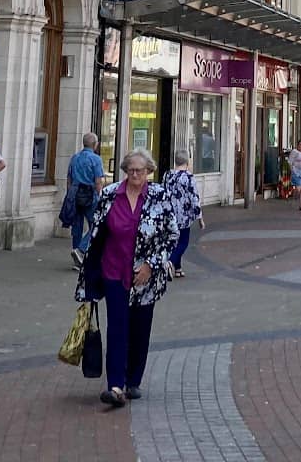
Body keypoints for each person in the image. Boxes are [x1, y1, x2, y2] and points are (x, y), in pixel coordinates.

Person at [75, 148, 180, 407]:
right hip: (114, 271)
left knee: (140, 329)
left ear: (149, 172)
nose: (135, 174)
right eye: (131, 170)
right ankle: (116, 385)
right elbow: (97, 233)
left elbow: (171, 235)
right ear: (124, 171)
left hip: (145, 278)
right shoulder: (110, 195)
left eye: (140, 171)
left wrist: (151, 265)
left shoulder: (159, 196)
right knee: (117, 328)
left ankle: (133, 380)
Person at [65, 132, 105, 266]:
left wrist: (69, 195)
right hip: (90, 194)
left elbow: (69, 178)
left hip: (75, 193)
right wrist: (101, 197)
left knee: (77, 226)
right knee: (97, 224)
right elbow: (98, 181)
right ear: (95, 144)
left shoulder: (75, 158)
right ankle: (81, 250)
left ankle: (76, 256)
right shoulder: (96, 159)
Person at [163, 150, 202, 276]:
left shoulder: (167, 175)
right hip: (183, 216)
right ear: (187, 161)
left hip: (169, 214)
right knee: (183, 243)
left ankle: (178, 269)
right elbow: (194, 198)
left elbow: (162, 193)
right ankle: (170, 262)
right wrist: (200, 218)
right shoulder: (189, 177)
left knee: (174, 240)